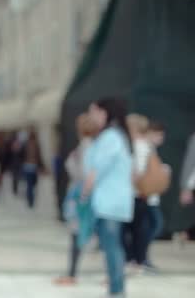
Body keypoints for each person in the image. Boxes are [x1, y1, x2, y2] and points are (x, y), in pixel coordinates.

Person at [82, 97, 134, 298]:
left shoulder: (111, 137)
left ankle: (117, 289)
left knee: (112, 246)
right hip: (112, 201)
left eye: (93, 113)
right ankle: (116, 287)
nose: (91, 118)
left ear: (104, 113)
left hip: (109, 202)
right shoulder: (115, 136)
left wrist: (84, 194)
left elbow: (97, 169)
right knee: (112, 246)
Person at [55, 113, 97, 286]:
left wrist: (83, 195)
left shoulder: (86, 148)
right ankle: (72, 273)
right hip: (84, 194)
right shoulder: (89, 147)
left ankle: (72, 274)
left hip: (81, 195)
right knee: (82, 233)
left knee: (77, 232)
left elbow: (85, 173)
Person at [123, 114, 152, 274]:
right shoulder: (147, 146)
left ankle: (132, 260)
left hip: (134, 193)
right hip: (142, 194)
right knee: (138, 229)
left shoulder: (135, 146)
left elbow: (137, 173)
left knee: (129, 229)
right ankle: (138, 260)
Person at [143, 120, 168, 270]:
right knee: (153, 226)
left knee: (153, 227)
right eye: (159, 135)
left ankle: (142, 257)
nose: (161, 139)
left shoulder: (151, 150)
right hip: (146, 197)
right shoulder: (145, 150)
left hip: (151, 197)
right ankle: (141, 257)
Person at [22, 128, 45, 209]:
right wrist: (42, 166)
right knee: (32, 184)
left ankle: (30, 199)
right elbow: (39, 156)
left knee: (29, 184)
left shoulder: (26, 144)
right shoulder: (35, 144)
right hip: (33, 166)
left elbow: (22, 156)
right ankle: (31, 199)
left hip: (28, 166)